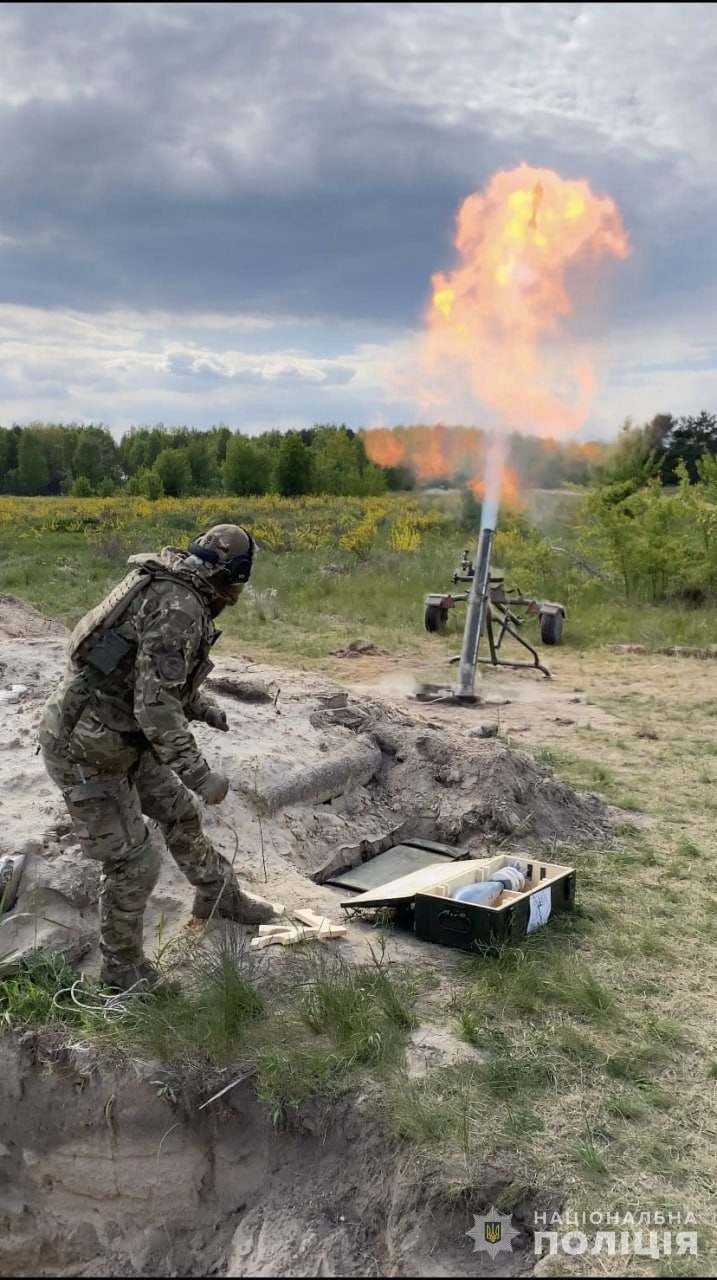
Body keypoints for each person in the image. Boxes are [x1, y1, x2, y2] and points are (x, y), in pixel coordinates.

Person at [38, 523, 281, 993]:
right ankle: (122, 972)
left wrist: (202, 706)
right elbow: (155, 708)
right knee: (134, 862)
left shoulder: (173, 584)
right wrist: (200, 774)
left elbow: (143, 674)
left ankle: (219, 897)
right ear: (233, 575)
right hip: (85, 750)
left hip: (120, 736)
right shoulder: (179, 606)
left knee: (179, 815)